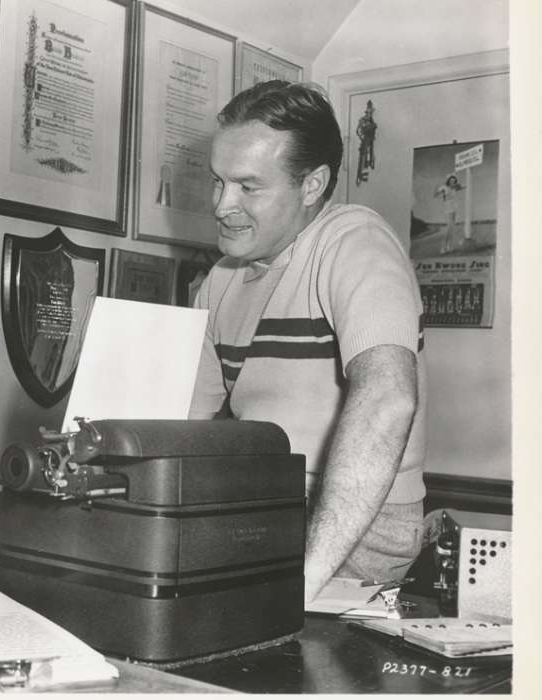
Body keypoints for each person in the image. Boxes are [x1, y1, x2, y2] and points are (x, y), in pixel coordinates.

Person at [188, 81, 426, 603]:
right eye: (217, 182)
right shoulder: (223, 279)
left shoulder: (356, 242)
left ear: (312, 185)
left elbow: (389, 399)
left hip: (358, 520)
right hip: (264, 510)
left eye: (248, 187)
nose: (222, 205)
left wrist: (295, 587)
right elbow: (180, 423)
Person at [434, 174, 464, 254]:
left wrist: (459, 185)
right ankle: (443, 248)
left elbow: (462, 187)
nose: (452, 182)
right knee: (448, 228)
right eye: (451, 181)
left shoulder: (454, 188)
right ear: (448, 181)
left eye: (454, 181)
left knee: (452, 228)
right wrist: (440, 191)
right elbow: (435, 194)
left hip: (454, 207)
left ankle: (450, 247)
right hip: (448, 207)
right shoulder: (444, 187)